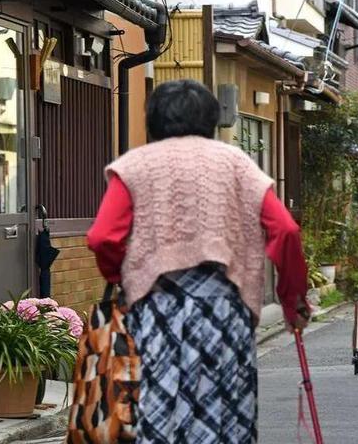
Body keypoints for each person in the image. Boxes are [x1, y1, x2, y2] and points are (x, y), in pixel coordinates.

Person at [87, 79, 309, 444]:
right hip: (225, 310)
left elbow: (102, 237)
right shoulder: (236, 162)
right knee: (226, 412)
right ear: (210, 119)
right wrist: (291, 300)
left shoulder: (135, 165)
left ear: (153, 120)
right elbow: (284, 230)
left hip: (156, 308)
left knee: (157, 405)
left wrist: (126, 276)